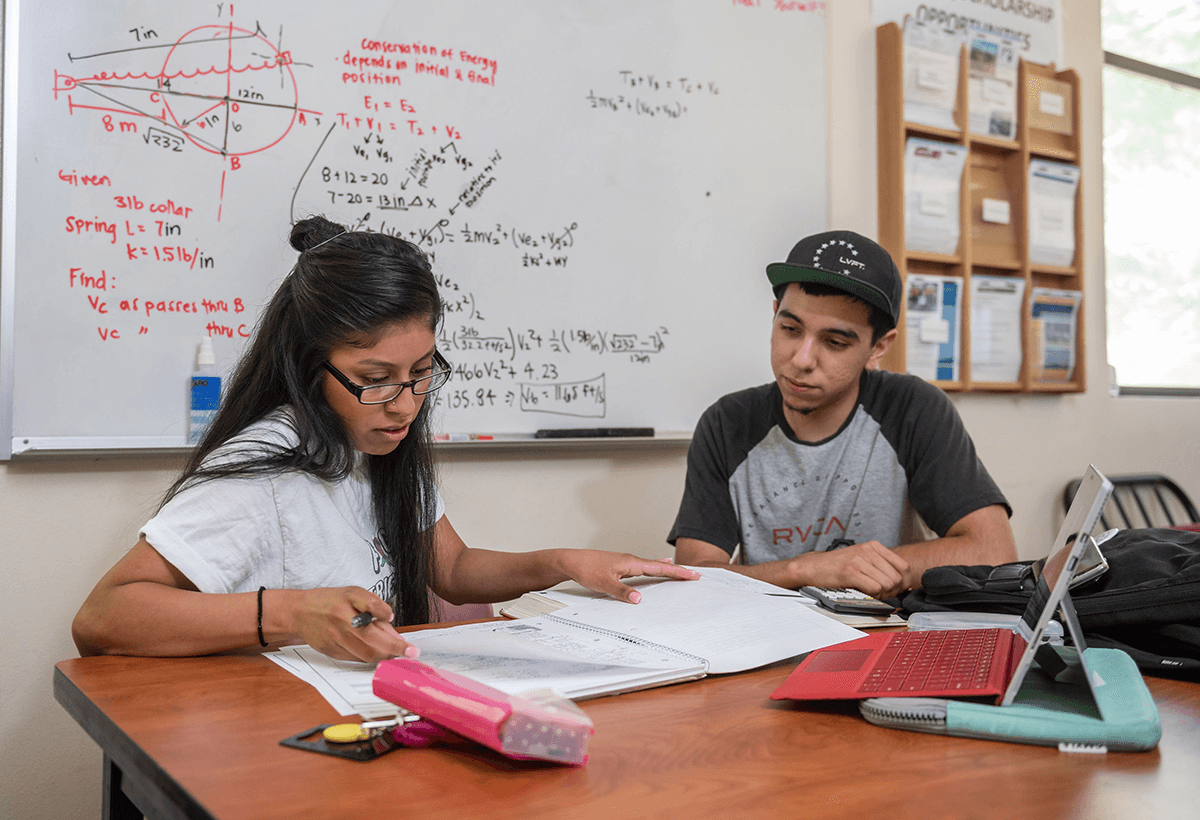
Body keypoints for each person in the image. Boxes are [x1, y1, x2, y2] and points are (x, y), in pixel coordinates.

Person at [73, 216, 698, 663]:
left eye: (421, 374)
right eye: (376, 380)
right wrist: (294, 613)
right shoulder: (266, 463)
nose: (405, 405)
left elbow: (447, 567)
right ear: (308, 366)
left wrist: (562, 565)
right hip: (264, 732)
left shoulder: (380, 439)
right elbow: (102, 619)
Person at [669, 230, 1017, 598]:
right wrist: (807, 569)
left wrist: (856, 570)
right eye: (790, 329)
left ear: (878, 347)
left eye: (834, 342)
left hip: (886, 635)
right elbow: (694, 577)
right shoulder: (727, 423)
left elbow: (993, 550)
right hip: (771, 637)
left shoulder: (912, 409)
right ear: (774, 316)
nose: (801, 360)